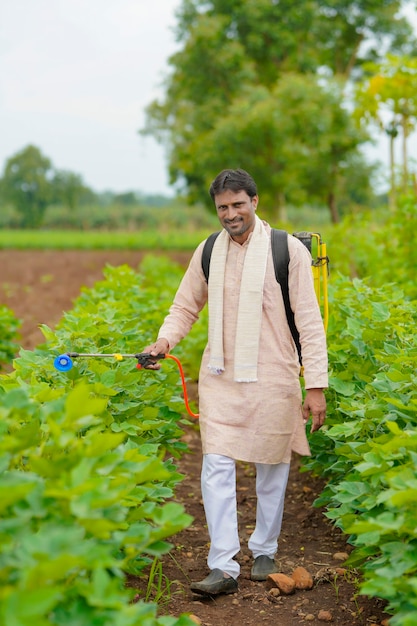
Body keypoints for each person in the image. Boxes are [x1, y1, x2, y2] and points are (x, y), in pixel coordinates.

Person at [143, 168, 328, 596]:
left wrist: (314, 385)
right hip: (221, 377)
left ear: (255, 202)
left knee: (271, 468)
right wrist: (164, 341)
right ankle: (222, 564)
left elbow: (310, 322)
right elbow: (185, 305)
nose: (230, 214)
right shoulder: (209, 250)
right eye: (222, 207)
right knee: (216, 468)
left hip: (275, 376)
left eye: (237, 204)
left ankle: (265, 549)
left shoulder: (287, 251)